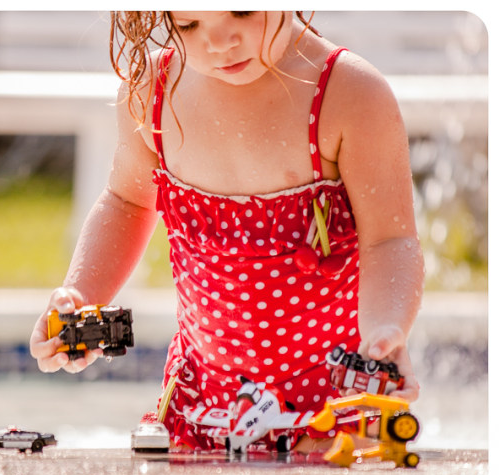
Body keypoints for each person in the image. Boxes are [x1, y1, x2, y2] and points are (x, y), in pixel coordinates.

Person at [29, 11, 424, 450]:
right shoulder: (154, 91)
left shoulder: (347, 94)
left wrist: (386, 331)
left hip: (331, 414)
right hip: (203, 410)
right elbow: (126, 202)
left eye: (241, 10)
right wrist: (81, 295)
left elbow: (390, 238)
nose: (217, 42)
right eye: (188, 25)